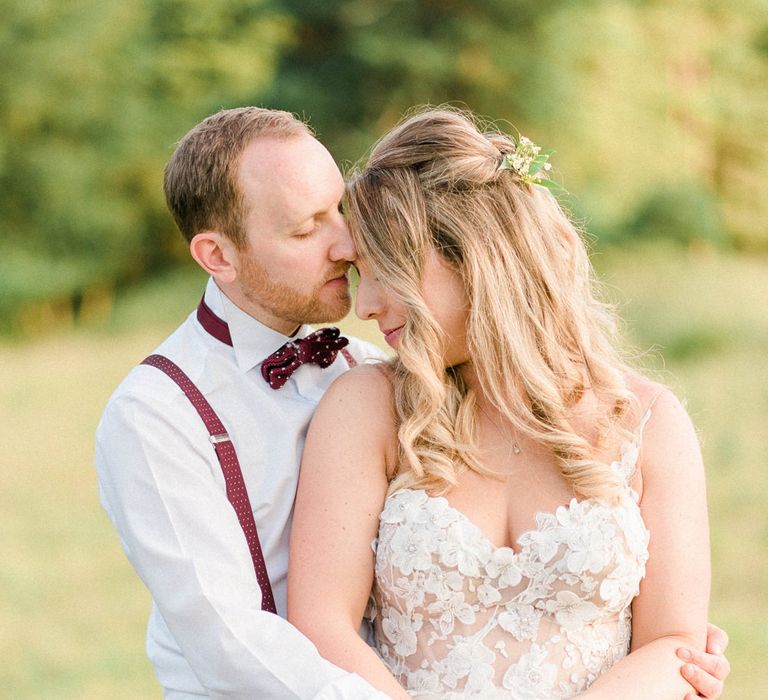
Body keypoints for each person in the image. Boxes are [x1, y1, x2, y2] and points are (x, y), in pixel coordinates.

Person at [287, 107, 729, 699]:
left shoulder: (649, 422)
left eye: (384, 272)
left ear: (472, 260)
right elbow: (320, 627)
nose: (363, 306)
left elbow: (673, 642)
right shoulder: (366, 409)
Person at [95, 107, 391, 698]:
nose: (348, 245)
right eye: (307, 230)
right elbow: (227, 640)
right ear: (218, 257)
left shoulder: (370, 366)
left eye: (341, 211)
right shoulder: (156, 414)